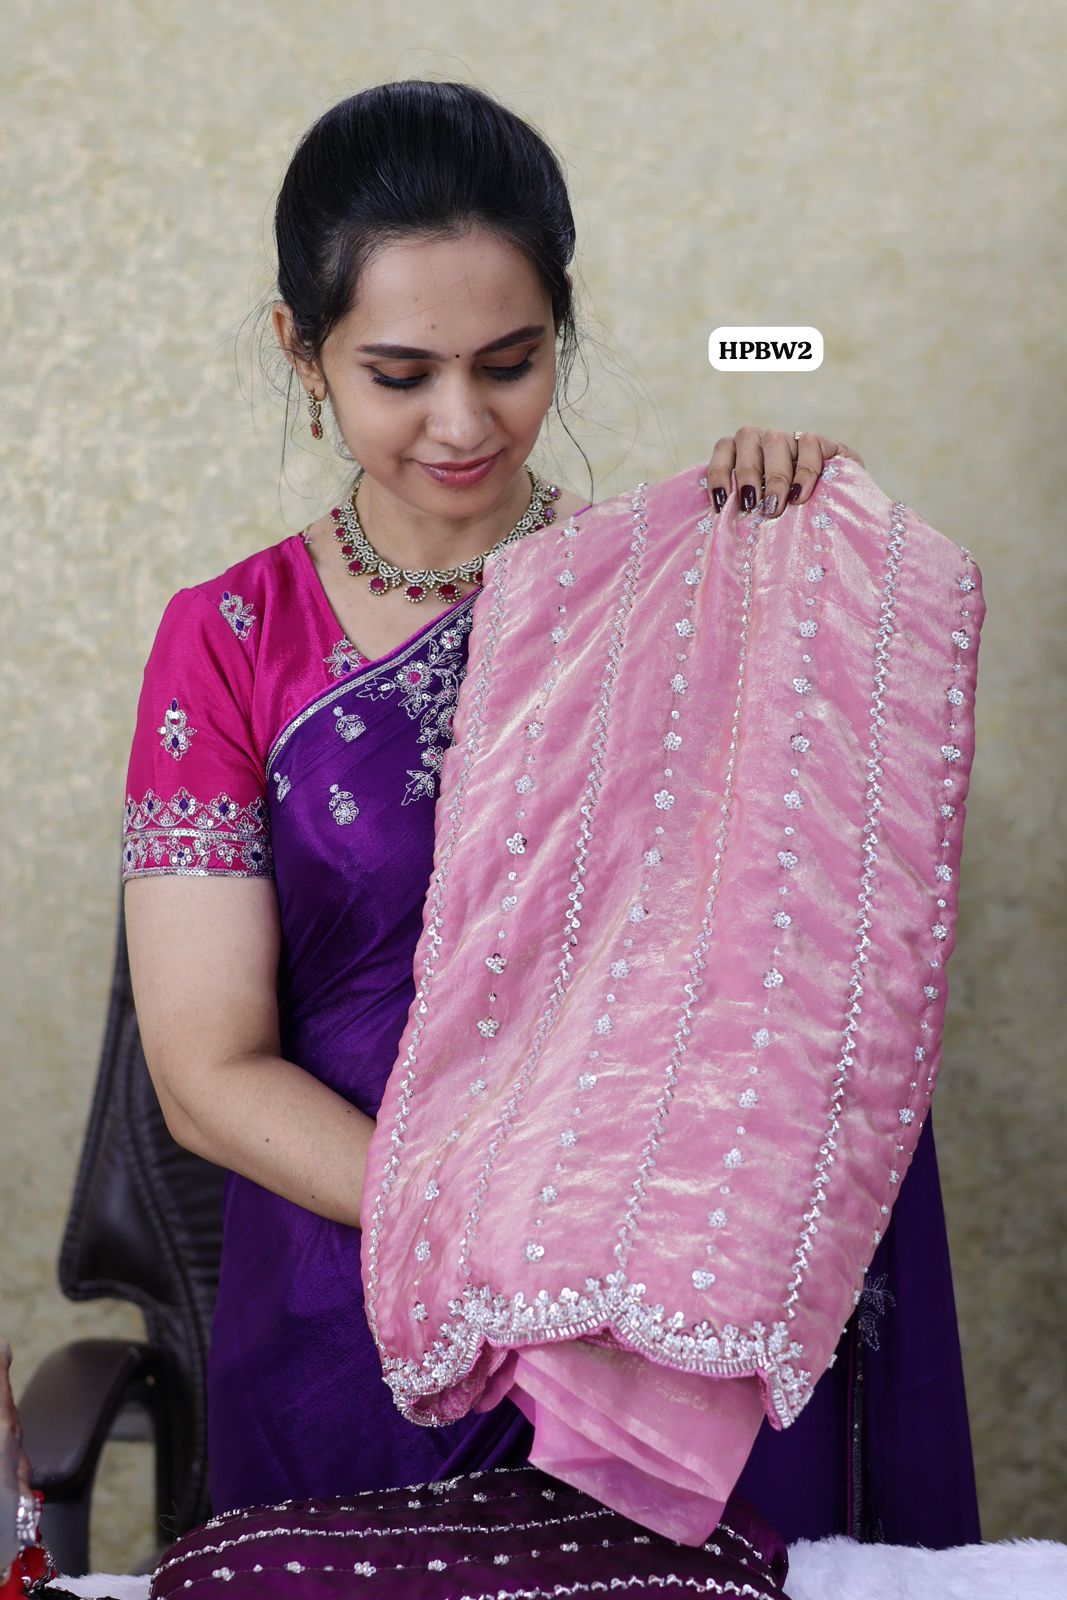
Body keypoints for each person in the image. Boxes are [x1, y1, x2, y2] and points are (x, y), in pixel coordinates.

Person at [122, 78, 976, 1548]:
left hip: (646, 1291)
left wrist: (802, 550)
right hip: (363, 1306)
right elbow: (206, 1073)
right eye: (399, 374)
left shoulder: (679, 594)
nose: (462, 424)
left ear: (560, 338)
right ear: (302, 354)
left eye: (510, 363)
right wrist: (484, 1221)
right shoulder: (229, 639)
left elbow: (778, 964)